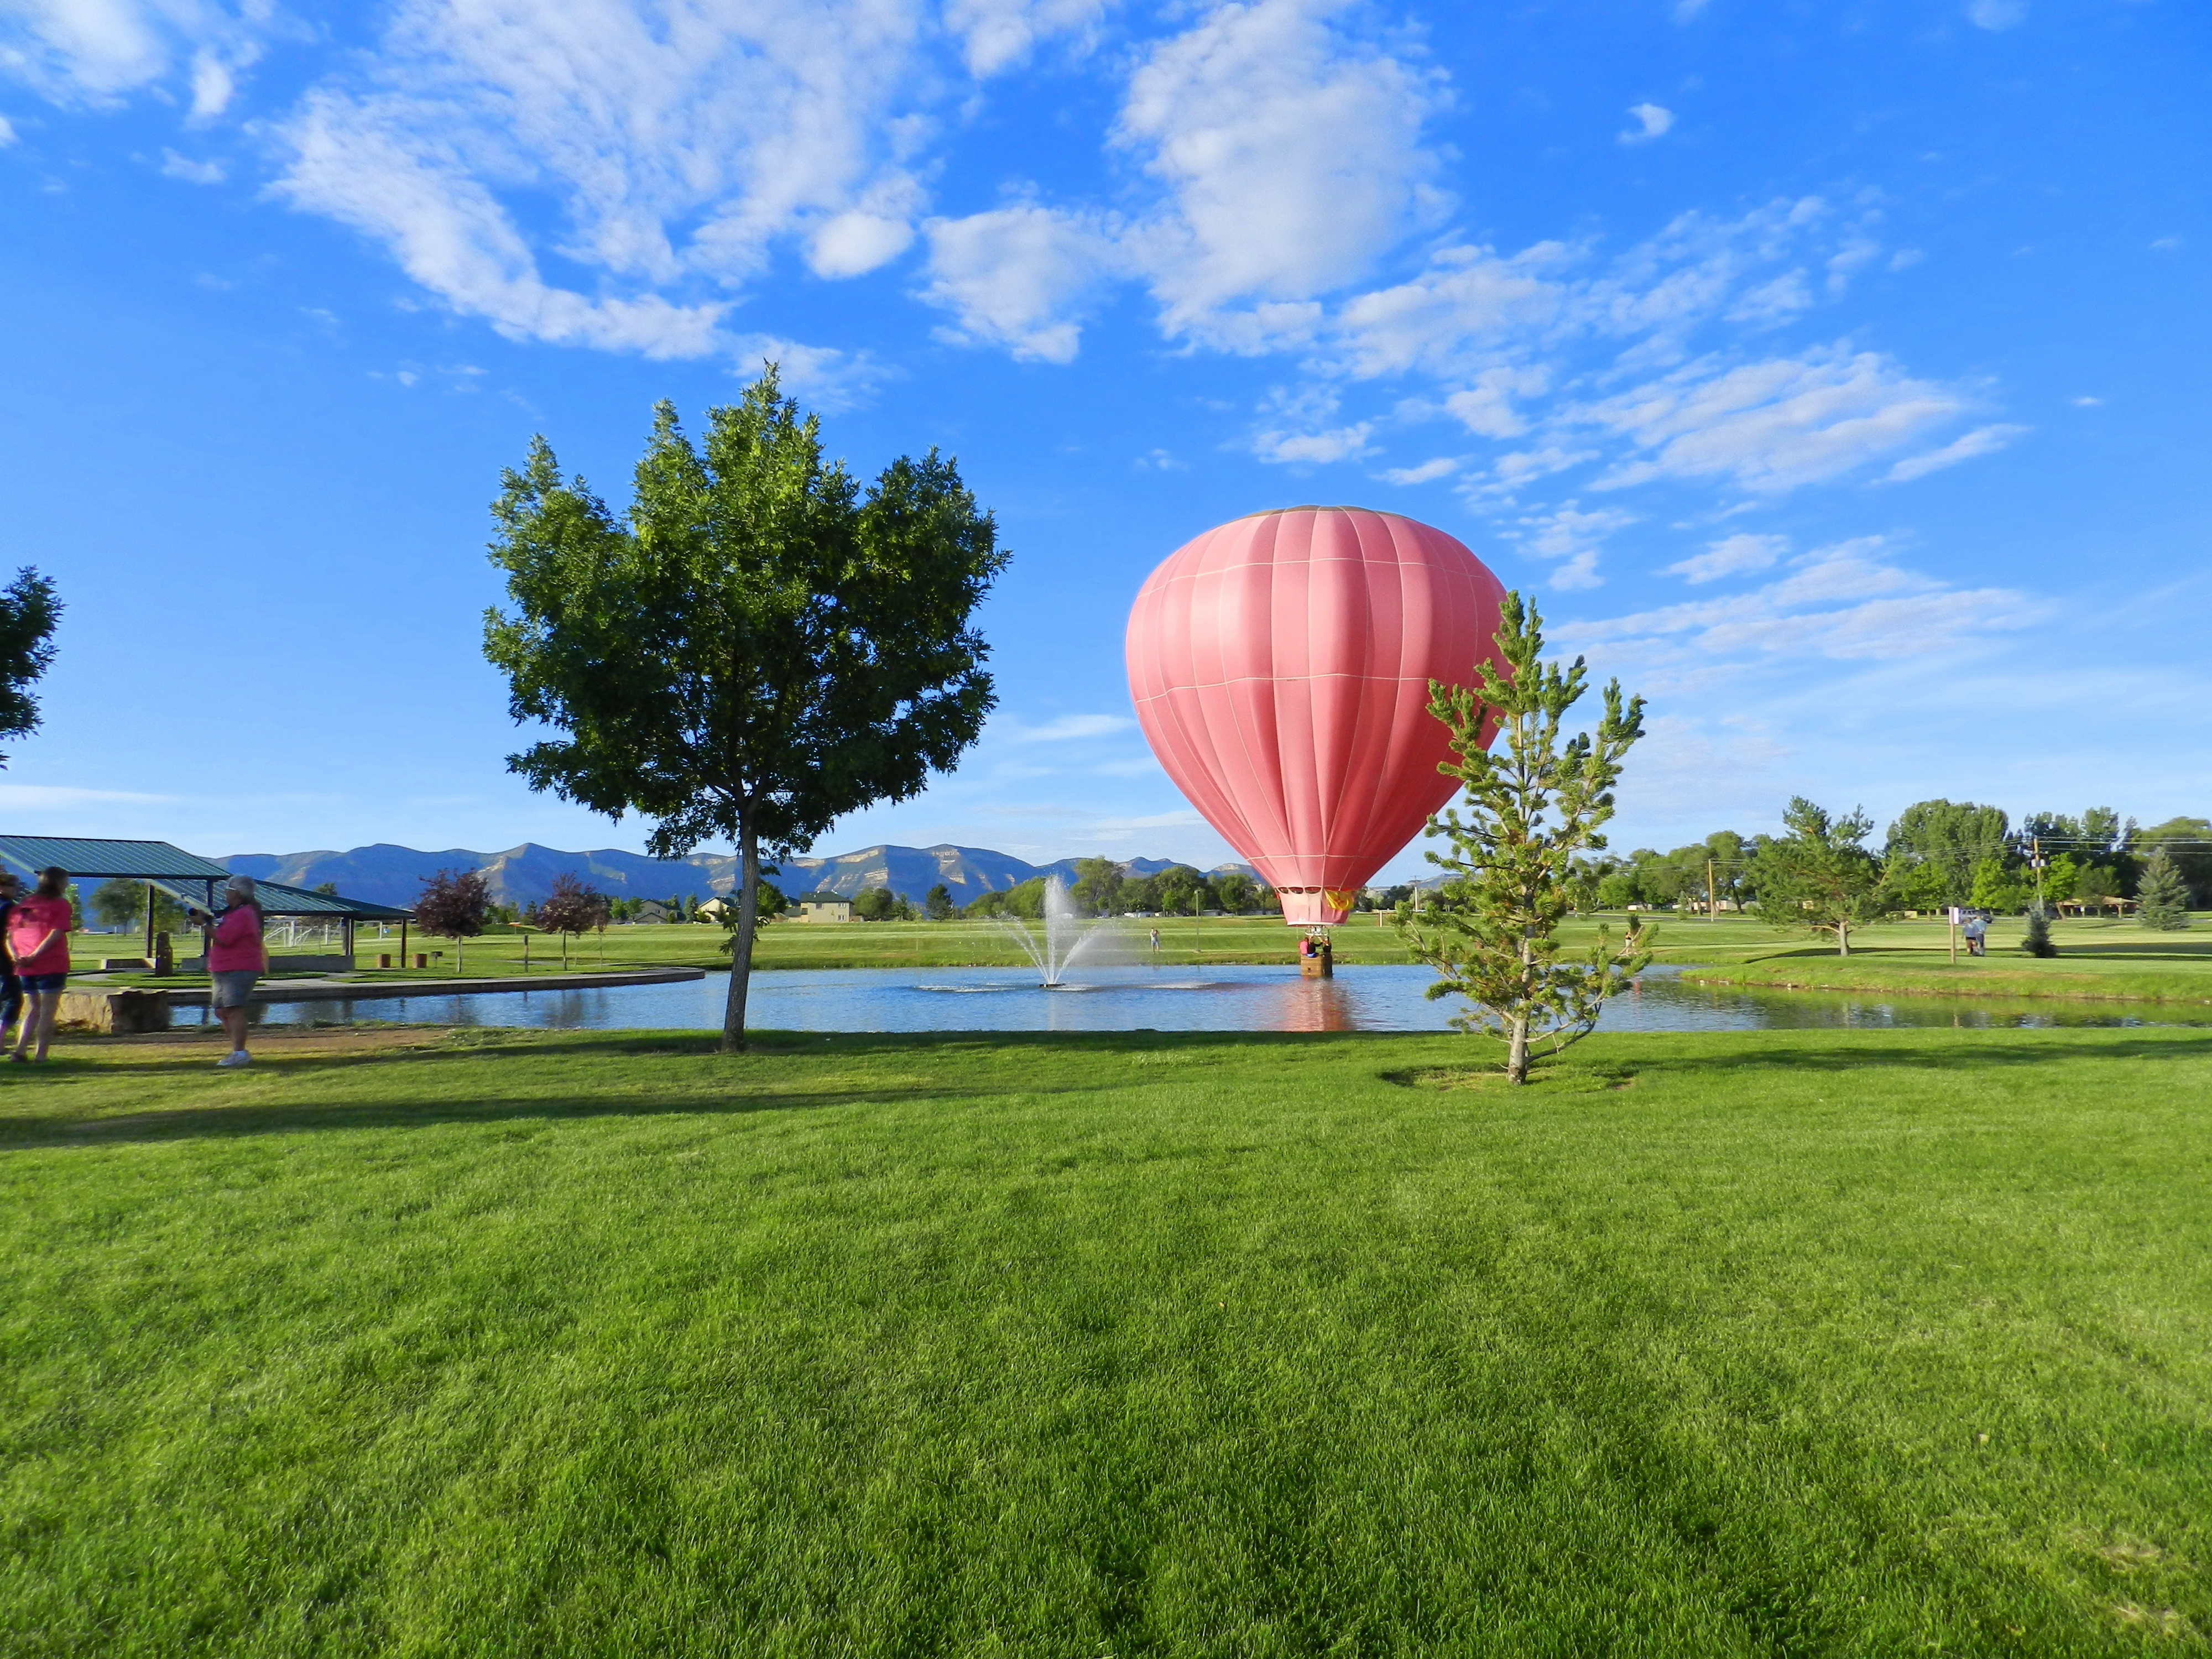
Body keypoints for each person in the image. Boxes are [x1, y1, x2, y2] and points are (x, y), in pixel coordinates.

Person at [195, 875, 267, 1068]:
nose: (225, 893)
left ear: (237, 893)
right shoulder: (233, 913)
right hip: (223, 968)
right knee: (221, 1011)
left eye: (228, 889)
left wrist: (204, 924)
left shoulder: (243, 914)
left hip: (240, 967)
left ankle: (239, 1053)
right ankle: (238, 1050)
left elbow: (224, 939)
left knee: (233, 1010)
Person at [8, 867, 74, 1063]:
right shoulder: (59, 904)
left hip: (24, 964)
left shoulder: (24, 904)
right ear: (59, 882)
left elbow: (10, 936)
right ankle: (41, 1055)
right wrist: (36, 955)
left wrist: (17, 956)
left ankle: (20, 1051)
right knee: (47, 1010)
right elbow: (56, 933)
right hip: (51, 963)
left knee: (32, 1008)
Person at [0, 872, 22, 1041]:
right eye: (13, 886)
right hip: (4, 956)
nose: (16, 889)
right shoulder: (9, 907)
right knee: (13, 997)